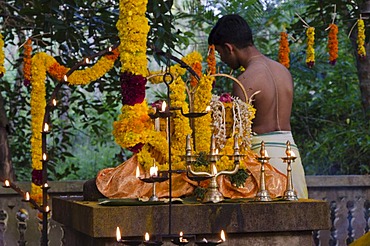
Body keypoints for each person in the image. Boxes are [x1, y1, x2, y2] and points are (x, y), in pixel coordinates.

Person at [208, 14, 308, 199]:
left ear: (230, 48)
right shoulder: (283, 71)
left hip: (262, 162)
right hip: (291, 156)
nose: (222, 59)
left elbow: (239, 135)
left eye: (220, 53)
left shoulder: (244, 81)